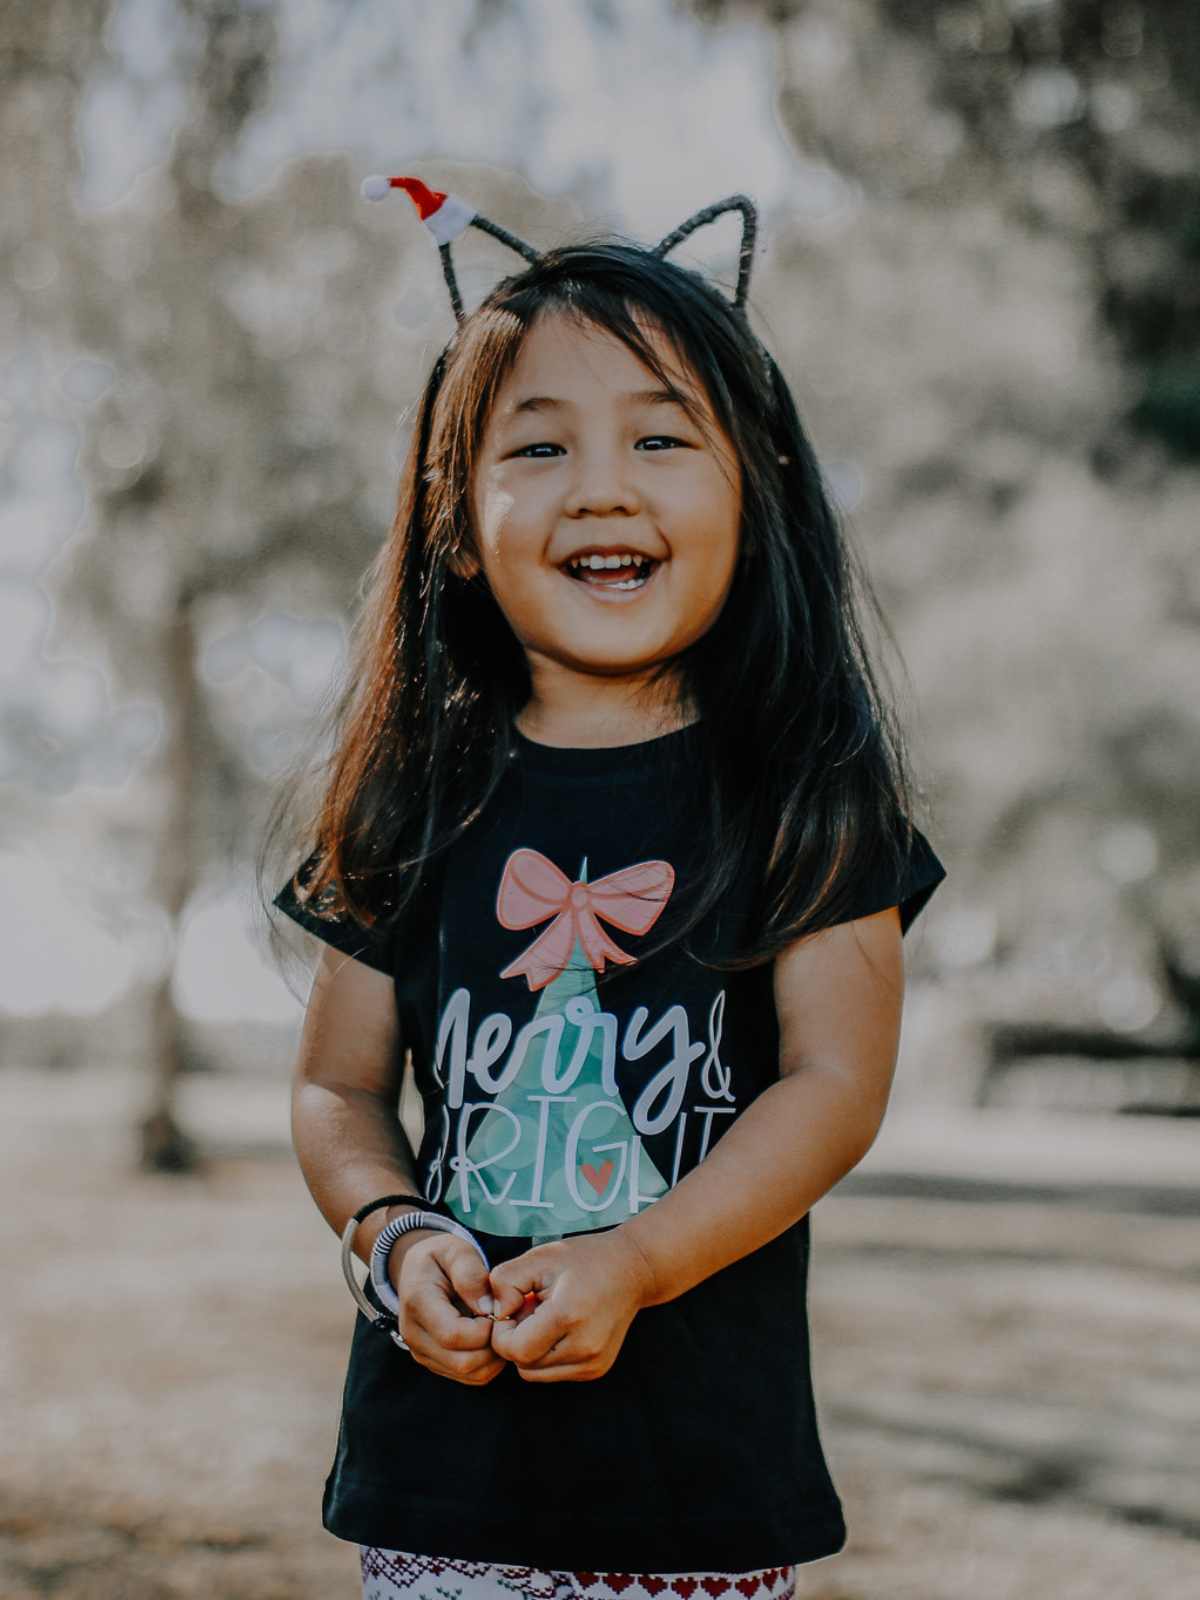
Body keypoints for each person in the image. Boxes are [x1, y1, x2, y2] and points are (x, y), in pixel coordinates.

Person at [264, 176, 947, 1600]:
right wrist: (394, 1238)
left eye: (658, 435)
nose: (602, 485)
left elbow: (834, 1086)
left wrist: (636, 1258)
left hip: (694, 1491)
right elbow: (338, 1091)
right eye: (537, 446)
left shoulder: (805, 790)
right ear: (457, 518)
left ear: (755, 488)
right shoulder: (412, 797)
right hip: (442, 1486)